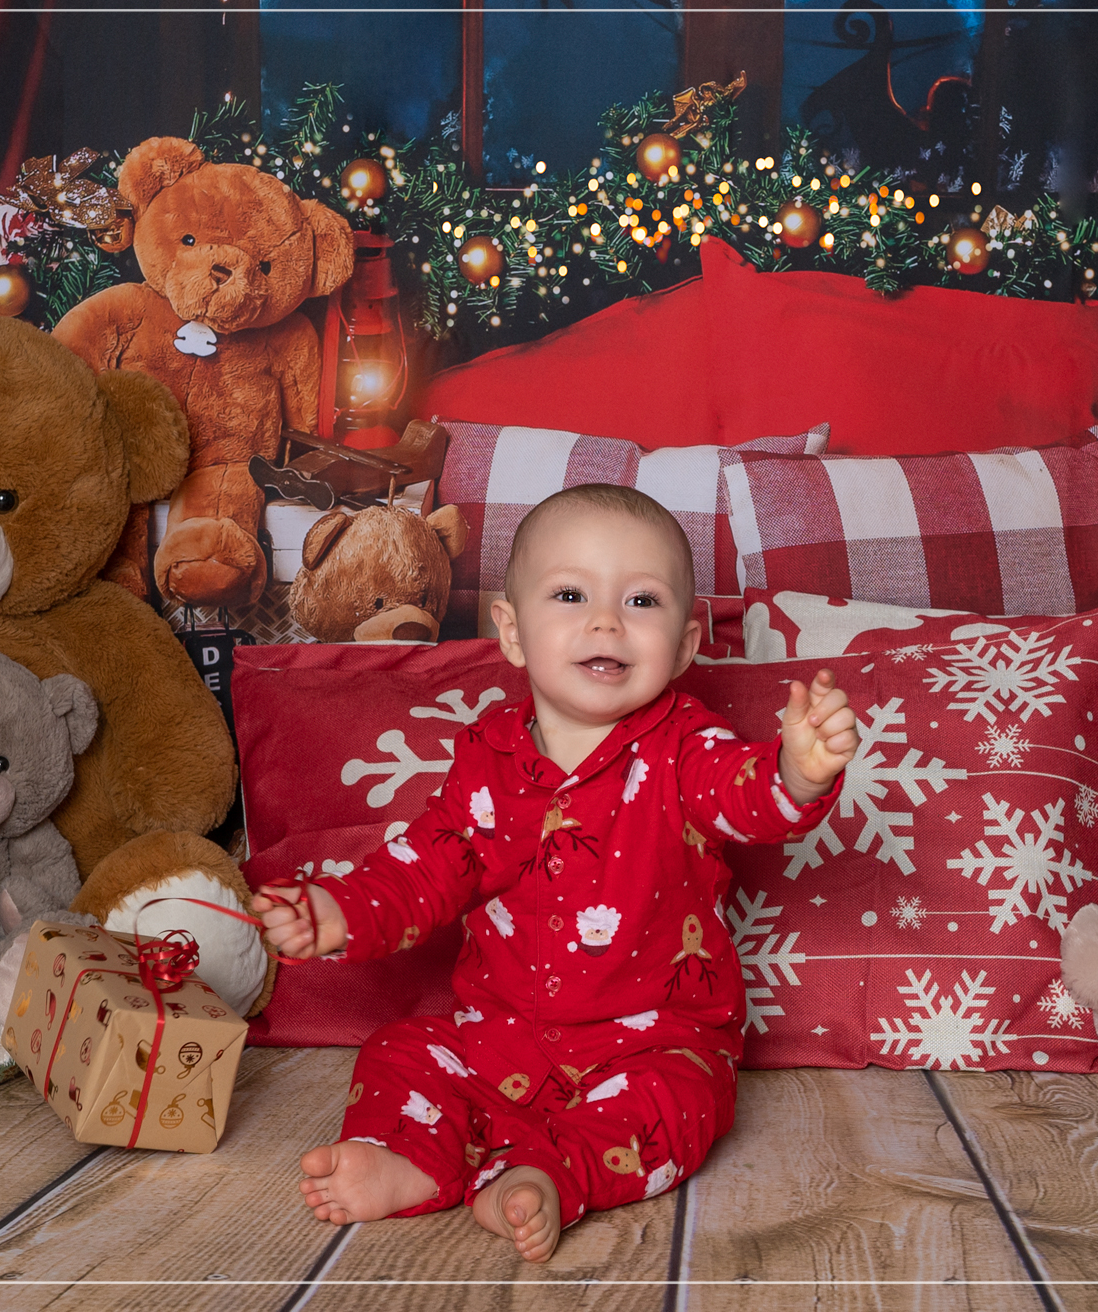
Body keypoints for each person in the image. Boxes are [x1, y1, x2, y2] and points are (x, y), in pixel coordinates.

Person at [251, 484, 858, 1262]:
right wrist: (337, 911)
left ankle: (545, 1170)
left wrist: (798, 774)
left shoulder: (686, 748)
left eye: (641, 599)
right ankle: (409, 1157)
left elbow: (745, 797)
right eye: (571, 593)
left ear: (682, 645)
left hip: (650, 1044)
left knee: (682, 1104)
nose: (606, 619)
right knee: (400, 1050)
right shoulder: (486, 756)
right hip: (498, 1038)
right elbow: (429, 863)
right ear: (511, 632)